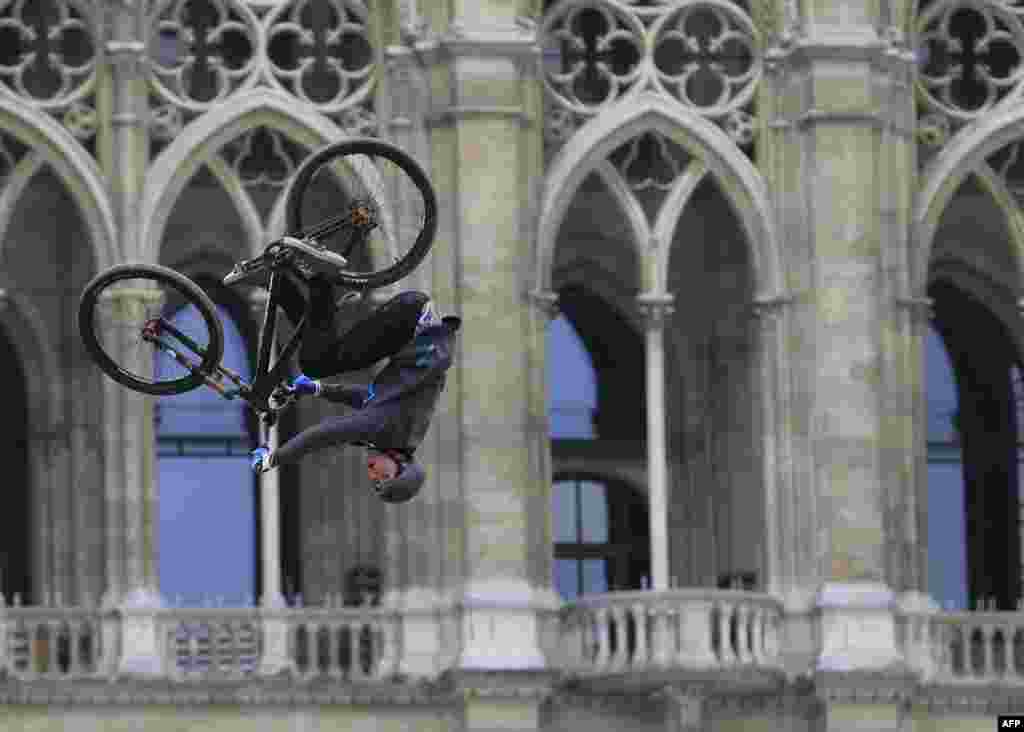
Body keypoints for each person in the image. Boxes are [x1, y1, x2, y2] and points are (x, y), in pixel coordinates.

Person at [248, 265, 460, 503]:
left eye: (374, 481)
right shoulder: (386, 429)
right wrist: (272, 459)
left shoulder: (398, 430)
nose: (373, 473)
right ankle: (318, 276)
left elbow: (368, 398)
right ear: (400, 462)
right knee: (319, 362)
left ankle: (282, 282)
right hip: (411, 322)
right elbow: (326, 433)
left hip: (411, 323)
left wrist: (319, 389)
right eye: (384, 475)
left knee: (318, 353)